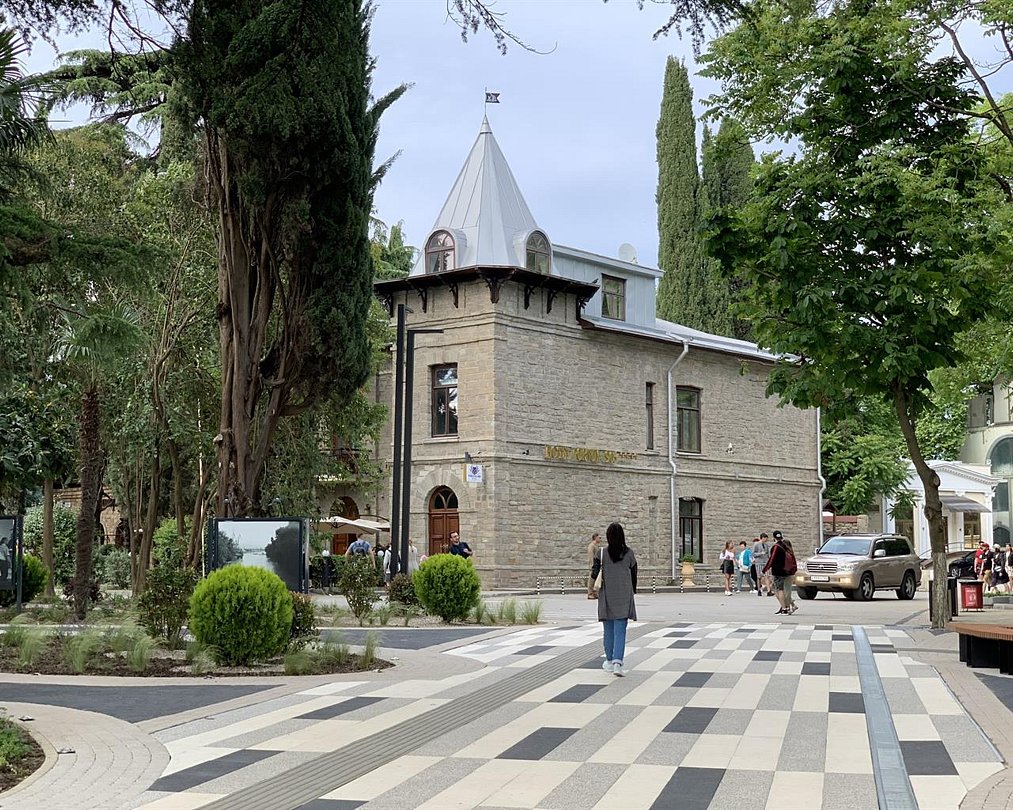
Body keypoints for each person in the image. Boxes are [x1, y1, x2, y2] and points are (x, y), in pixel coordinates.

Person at [591, 522, 637, 677]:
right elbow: (634, 574)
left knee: (608, 630)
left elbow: (594, 574)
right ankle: (618, 662)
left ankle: (609, 661)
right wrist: (632, 591)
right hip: (624, 595)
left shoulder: (601, 553)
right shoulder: (629, 553)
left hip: (607, 595)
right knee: (620, 631)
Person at [763, 530, 797, 615]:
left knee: (779, 590)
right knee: (781, 589)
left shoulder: (776, 547)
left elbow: (772, 559)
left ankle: (784, 608)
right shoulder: (785, 545)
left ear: (774, 538)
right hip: (786, 571)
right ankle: (787, 607)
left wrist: (765, 569)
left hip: (778, 571)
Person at [587, 532, 603, 599]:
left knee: (596, 579)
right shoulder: (591, 546)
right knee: (592, 579)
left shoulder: (596, 546)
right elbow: (591, 556)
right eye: (599, 537)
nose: (600, 539)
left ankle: (594, 592)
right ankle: (590, 593)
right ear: (595, 537)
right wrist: (592, 565)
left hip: (597, 565)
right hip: (593, 565)